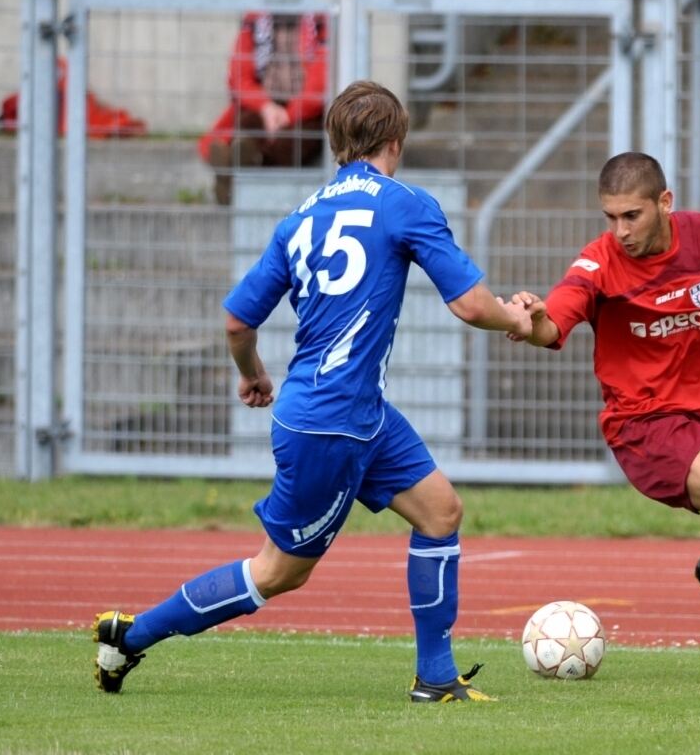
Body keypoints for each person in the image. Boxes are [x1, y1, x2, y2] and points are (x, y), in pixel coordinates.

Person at [93, 80, 533, 703]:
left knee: (441, 512)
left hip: (354, 411)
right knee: (278, 573)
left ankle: (435, 677)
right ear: (396, 141)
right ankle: (129, 636)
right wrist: (517, 317)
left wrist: (251, 373)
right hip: (332, 423)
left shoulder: (299, 219)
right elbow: (468, 304)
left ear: (335, 145)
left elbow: (236, 322)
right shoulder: (406, 202)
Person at [509, 152, 700, 690]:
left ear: (664, 203)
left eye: (632, 215)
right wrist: (530, 320)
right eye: (610, 217)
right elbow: (553, 323)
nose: (619, 230)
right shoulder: (598, 263)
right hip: (644, 424)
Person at [198, 11, 330, 205]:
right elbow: (240, 77)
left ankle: (236, 169)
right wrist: (266, 107)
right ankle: (243, 158)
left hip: (305, 111)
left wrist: (289, 113)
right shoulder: (253, 22)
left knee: (298, 139)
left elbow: (321, 81)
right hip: (262, 104)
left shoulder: (319, 22)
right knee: (247, 124)